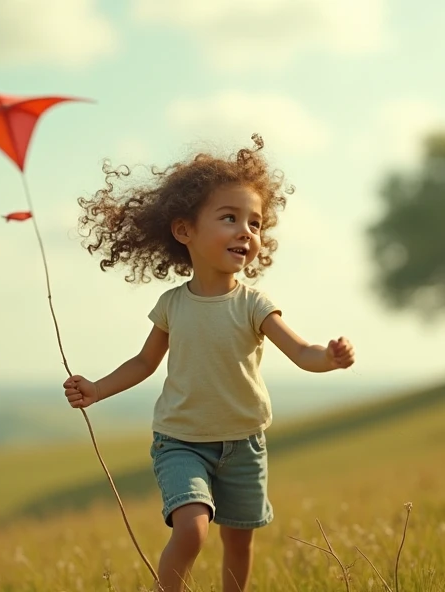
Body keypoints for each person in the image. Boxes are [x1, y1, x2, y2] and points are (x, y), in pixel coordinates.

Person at [63, 134, 355, 592]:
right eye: (229, 218)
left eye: (255, 223)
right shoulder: (172, 305)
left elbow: (301, 353)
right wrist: (97, 389)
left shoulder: (255, 305)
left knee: (239, 542)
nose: (247, 231)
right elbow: (144, 362)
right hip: (181, 442)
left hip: (244, 444)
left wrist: (330, 359)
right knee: (193, 529)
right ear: (185, 231)